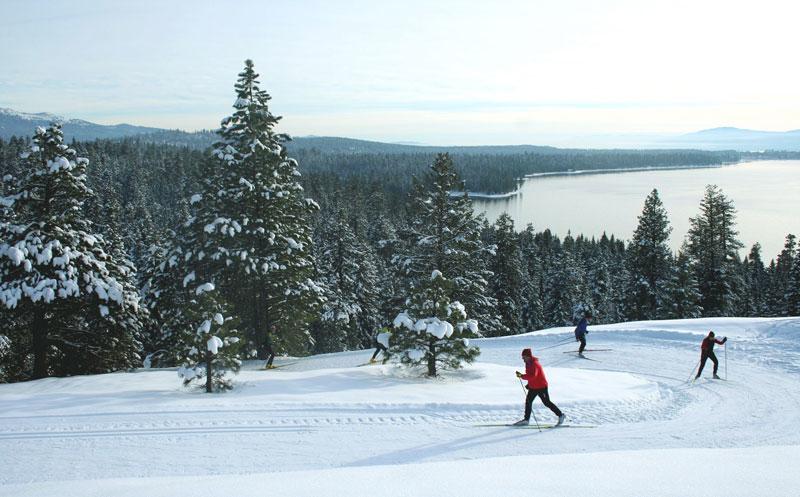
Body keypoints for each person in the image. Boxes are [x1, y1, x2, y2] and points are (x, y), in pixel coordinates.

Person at [514, 348, 566, 426]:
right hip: (533, 387)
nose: (522, 358)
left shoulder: (535, 364)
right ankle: (526, 420)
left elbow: (533, 376)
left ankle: (561, 415)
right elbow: (531, 376)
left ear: (528, 356)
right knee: (528, 402)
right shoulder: (528, 363)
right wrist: (528, 384)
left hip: (541, 387)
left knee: (547, 402)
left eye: (524, 356)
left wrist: (522, 376)